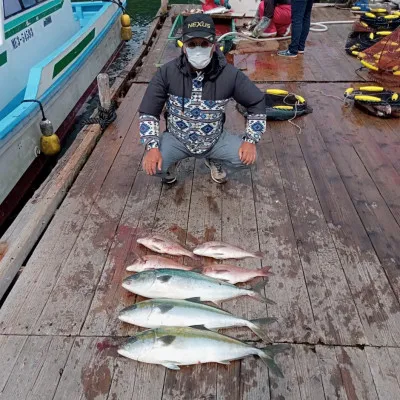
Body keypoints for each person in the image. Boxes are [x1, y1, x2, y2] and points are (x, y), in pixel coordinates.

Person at [139, 14, 266, 184]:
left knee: (246, 159)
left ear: (214, 45)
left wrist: (250, 140)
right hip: (177, 138)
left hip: (214, 140)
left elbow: (256, 102)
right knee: (152, 166)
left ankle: (215, 159)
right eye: (191, 44)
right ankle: (172, 161)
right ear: (184, 47)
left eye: (204, 43)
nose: (198, 49)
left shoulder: (230, 75)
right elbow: (149, 111)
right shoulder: (166, 73)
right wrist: (152, 147)